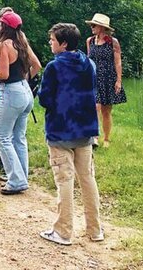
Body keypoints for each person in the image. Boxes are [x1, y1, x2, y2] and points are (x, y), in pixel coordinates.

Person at [39, 23, 103, 246]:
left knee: (64, 181)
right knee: (87, 179)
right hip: (85, 130)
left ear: (63, 43)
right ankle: (95, 230)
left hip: (60, 130)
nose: (50, 43)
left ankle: (63, 231)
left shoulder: (53, 67)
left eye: (53, 40)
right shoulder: (89, 64)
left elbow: (45, 99)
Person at [0, 11, 41, 194]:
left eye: (0, 24)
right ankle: (21, 175)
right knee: (18, 137)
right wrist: (24, 79)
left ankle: (16, 180)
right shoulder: (21, 42)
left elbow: (4, 75)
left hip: (11, 91)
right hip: (25, 90)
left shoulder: (3, 46)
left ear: (4, 27)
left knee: (1, 137)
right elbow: (36, 65)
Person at [85, 13, 126, 148]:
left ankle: (107, 138)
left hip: (108, 78)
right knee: (94, 107)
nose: (92, 27)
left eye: (94, 25)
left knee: (106, 110)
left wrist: (118, 80)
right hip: (93, 78)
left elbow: (118, 62)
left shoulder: (112, 42)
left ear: (102, 27)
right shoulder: (90, 41)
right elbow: (88, 60)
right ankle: (95, 137)